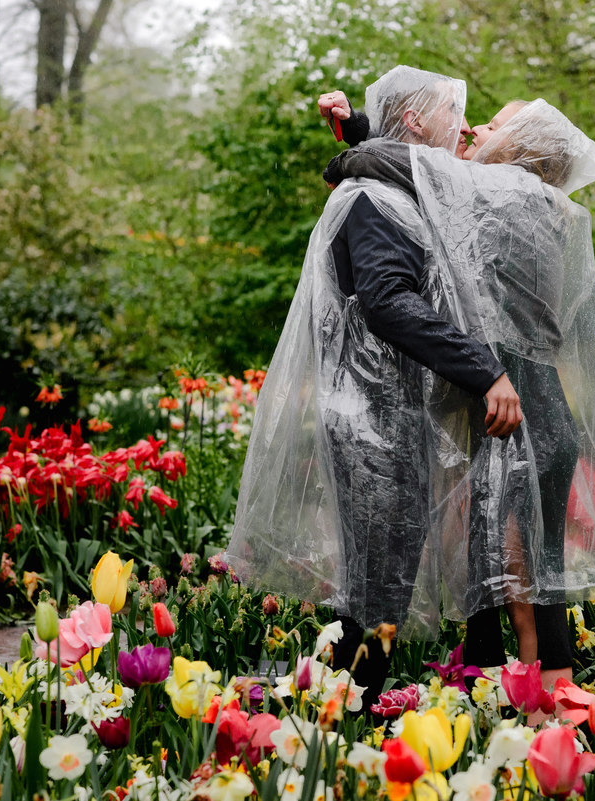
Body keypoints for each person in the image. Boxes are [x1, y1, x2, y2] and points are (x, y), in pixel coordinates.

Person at [224, 66, 523, 707]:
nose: (464, 125)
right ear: (415, 121)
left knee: (378, 583)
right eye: (452, 110)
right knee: (378, 579)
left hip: (388, 419)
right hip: (369, 422)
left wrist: (358, 126)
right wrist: (486, 371)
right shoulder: (371, 200)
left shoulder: (390, 188)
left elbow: (400, 158)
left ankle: (329, 700)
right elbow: (389, 301)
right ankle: (330, 708)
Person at [322, 96, 595, 697]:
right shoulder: (541, 204)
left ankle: (524, 706)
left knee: (512, 574)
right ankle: (539, 705)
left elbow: (393, 161)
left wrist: (352, 142)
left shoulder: (493, 193)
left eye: (492, 126)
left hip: (516, 417)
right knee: (534, 571)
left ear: (520, 150)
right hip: (546, 416)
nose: (473, 129)